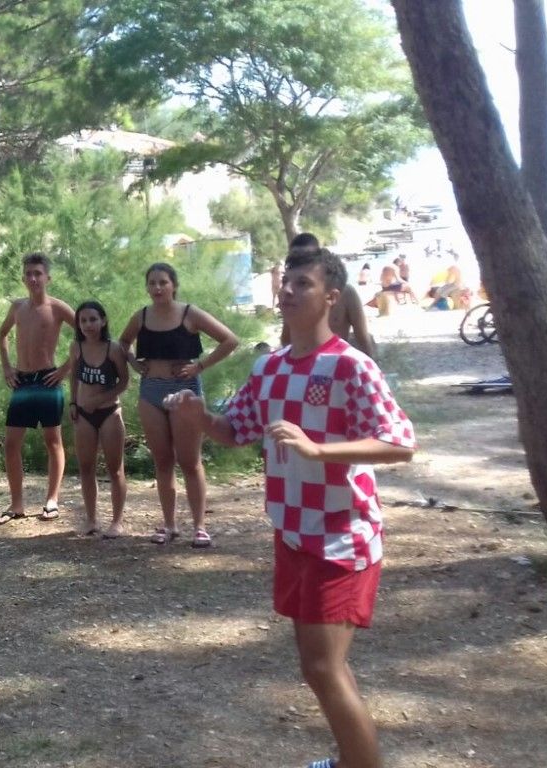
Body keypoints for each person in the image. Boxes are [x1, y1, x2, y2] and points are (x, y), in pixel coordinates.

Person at [165, 247, 415, 768]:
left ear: (331, 297)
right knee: (321, 666)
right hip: (293, 531)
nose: (288, 291)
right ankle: (350, 760)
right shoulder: (270, 367)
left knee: (323, 668)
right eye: (286, 282)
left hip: (342, 536)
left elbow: (399, 443)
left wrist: (319, 450)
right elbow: (235, 429)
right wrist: (198, 417)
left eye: (303, 283)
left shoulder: (351, 366)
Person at [118, 263, 239, 548]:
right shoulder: (141, 316)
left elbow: (230, 340)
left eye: (163, 282)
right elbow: (123, 342)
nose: (157, 288)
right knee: (162, 461)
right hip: (151, 392)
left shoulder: (189, 314)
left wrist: (200, 366)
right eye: (152, 283)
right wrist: (135, 363)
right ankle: (169, 524)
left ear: (174, 285)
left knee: (189, 461)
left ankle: (199, 526)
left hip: (185, 392)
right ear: (147, 287)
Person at [0, 252, 76, 524]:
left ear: (47, 277)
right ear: (23, 278)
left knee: (53, 441)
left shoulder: (58, 308)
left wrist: (65, 369)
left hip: (48, 380)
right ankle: (16, 504)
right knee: (11, 444)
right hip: (22, 381)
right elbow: (2, 334)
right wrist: (7, 367)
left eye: (38, 274)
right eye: (28, 274)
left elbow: (87, 334)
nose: (33, 278)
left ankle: (52, 500)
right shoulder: (18, 307)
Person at [64, 301, 131, 537]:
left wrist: (101, 398)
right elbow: (73, 377)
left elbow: (124, 382)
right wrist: (73, 403)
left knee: (115, 469)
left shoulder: (113, 349)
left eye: (93, 319)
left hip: (109, 412)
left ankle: (117, 521)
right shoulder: (76, 347)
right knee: (85, 467)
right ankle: (91, 520)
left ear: (103, 321)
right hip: (83, 414)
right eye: (83, 320)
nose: (88, 325)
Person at [281, 233, 377, 358]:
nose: (300, 261)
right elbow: (286, 339)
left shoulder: (347, 294)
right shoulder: (294, 298)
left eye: (308, 256)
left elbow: (363, 338)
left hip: (336, 359)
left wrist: (366, 363)